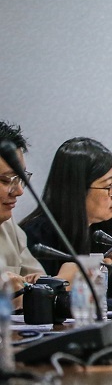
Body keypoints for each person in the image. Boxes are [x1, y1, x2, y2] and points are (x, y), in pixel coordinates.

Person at [20, 137, 112, 307]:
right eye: (109, 186)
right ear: (77, 191)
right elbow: (38, 303)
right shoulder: (36, 237)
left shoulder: (109, 235)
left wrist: (94, 303)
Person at [0, 121, 45, 305]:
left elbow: (41, 285)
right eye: (6, 180)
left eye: (21, 178)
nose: (19, 191)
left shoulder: (8, 226)